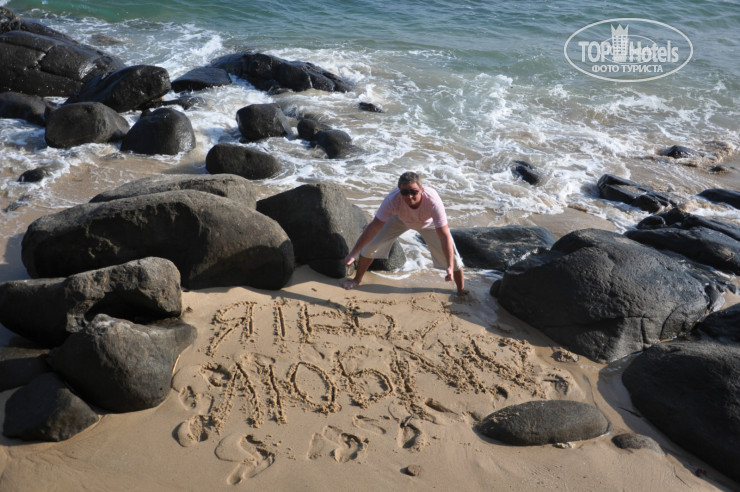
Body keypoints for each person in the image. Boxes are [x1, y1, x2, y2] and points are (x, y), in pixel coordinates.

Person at [343, 171, 467, 295]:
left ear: (421, 189)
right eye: (405, 192)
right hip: (400, 220)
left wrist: (449, 266)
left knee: (454, 259)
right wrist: (353, 253)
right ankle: (356, 280)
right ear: (399, 191)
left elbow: (444, 236)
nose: (409, 196)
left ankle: (461, 291)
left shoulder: (432, 201)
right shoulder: (392, 200)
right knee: (370, 247)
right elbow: (373, 228)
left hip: (428, 224)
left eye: (414, 192)